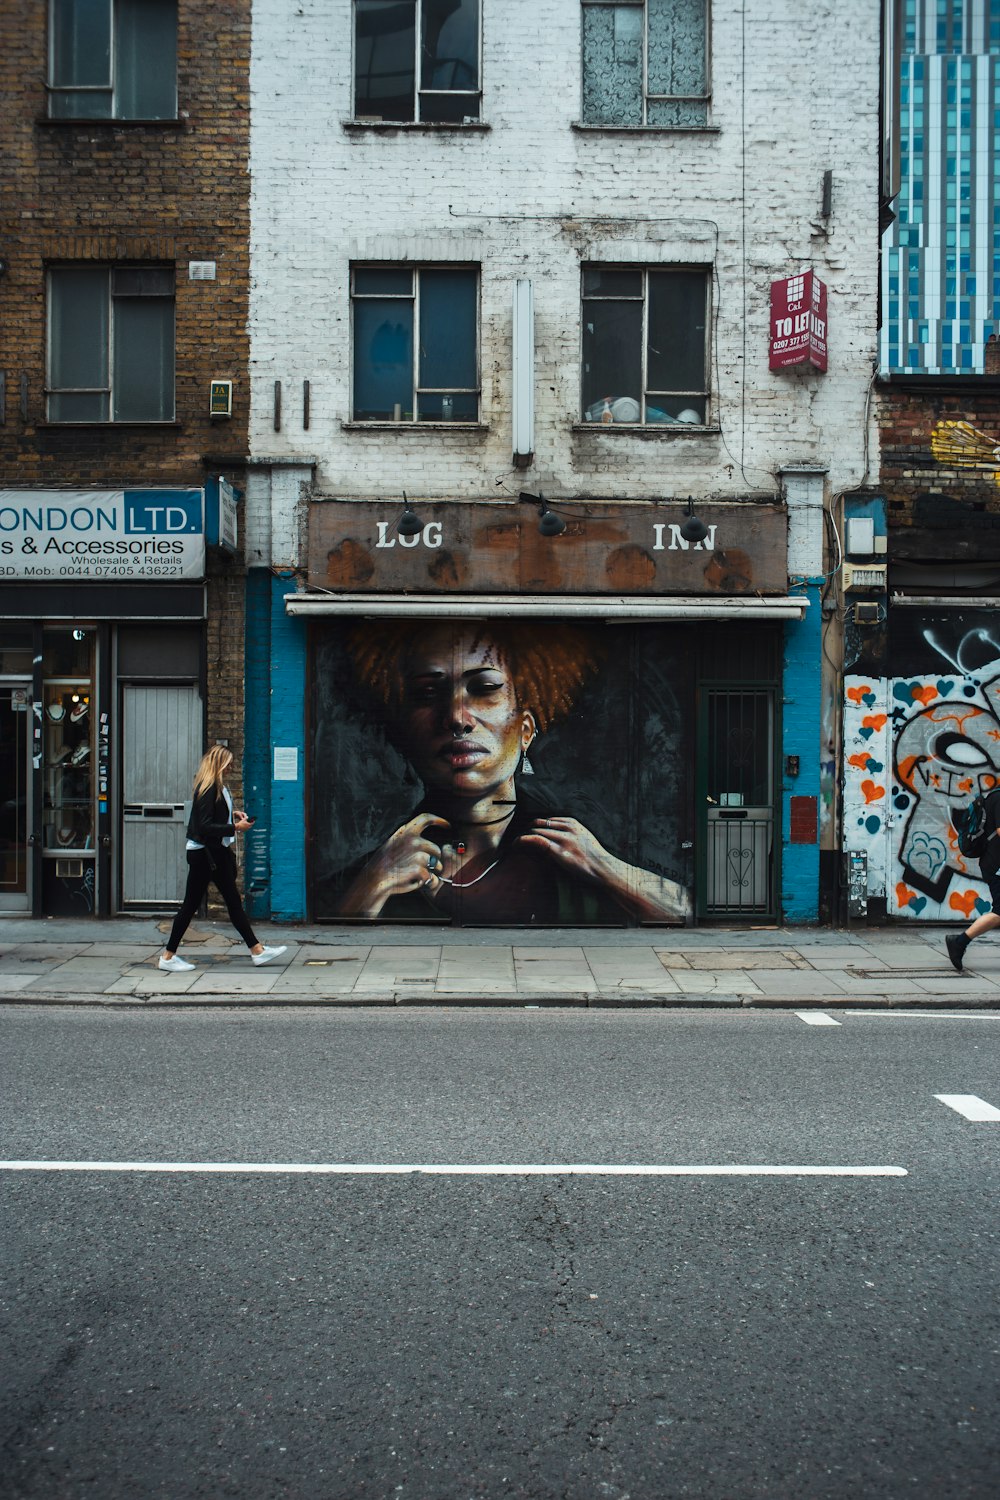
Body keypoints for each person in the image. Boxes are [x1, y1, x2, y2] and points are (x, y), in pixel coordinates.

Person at [332, 621, 689, 924]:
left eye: (485, 689)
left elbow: (688, 913)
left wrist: (605, 870)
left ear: (526, 730)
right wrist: (366, 894)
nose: (457, 718)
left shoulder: (572, 851)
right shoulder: (375, 870)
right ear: (407, 735)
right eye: (427, 693)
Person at [159, 746, 286, 971]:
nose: (231, 768)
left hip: (212, 853)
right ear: (219, 763)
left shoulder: (217, 787)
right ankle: (168, 957)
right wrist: (236, 827)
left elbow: (211, 817)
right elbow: (204, 826)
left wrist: (232, 815)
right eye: (228, 764)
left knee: (230, 902)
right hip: (205, 855)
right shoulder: (208, 788)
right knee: (192, 906)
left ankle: (257, 950)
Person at [946, 785, 1000, 971]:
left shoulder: (993, 796)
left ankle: (959, 943)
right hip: (996, 865)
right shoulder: (999, 797)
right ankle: (959, 942)